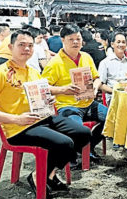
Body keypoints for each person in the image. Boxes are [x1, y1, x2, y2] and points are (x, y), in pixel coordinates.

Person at [0, 30, 91, 199]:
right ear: (10, 47)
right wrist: (15, 119)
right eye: (21, 45)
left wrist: (48, 98)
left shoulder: (33, 71)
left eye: (30, 45)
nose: (26, 49)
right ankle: (39, 177)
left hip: (42, 118)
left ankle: (47, 174)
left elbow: (43, 92)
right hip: (18, 128)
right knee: (65, 143)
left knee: (83, 133)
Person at [41, 23, 107, 163]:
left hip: (88, 102)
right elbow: (44, 87)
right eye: (71, 39)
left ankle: (87, 148)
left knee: (112, 119)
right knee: (78, 130)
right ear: (62, 40)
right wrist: (63, 90)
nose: (76, 42)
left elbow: (97, 78)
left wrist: (95, 88)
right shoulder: (55, 63)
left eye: (78, 38)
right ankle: (77, 152)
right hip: (67, 105)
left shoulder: (86, 57)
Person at [99, 32, 127, 104]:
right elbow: (100, 85)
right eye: (118, 42)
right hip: (114, 97)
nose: (121, 45)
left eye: (123, 42)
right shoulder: (105, 63)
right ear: (112, 44)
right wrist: (115, 92)